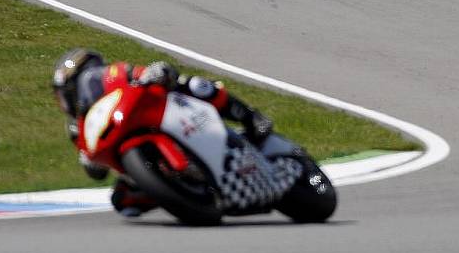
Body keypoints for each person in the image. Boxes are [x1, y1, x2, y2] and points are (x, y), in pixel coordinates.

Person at [52, 48, 291, 217]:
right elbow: (95, 173)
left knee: (194, 84)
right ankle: (179, 193)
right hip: (130, 158)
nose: (67, 99)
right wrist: (88, 159)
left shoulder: (113, 75)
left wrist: (153, 73)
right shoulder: (78, 127)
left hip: (157, 109)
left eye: (69, 91)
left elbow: (143, 73)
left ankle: (250, 116)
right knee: (122, 200)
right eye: (63, 95)